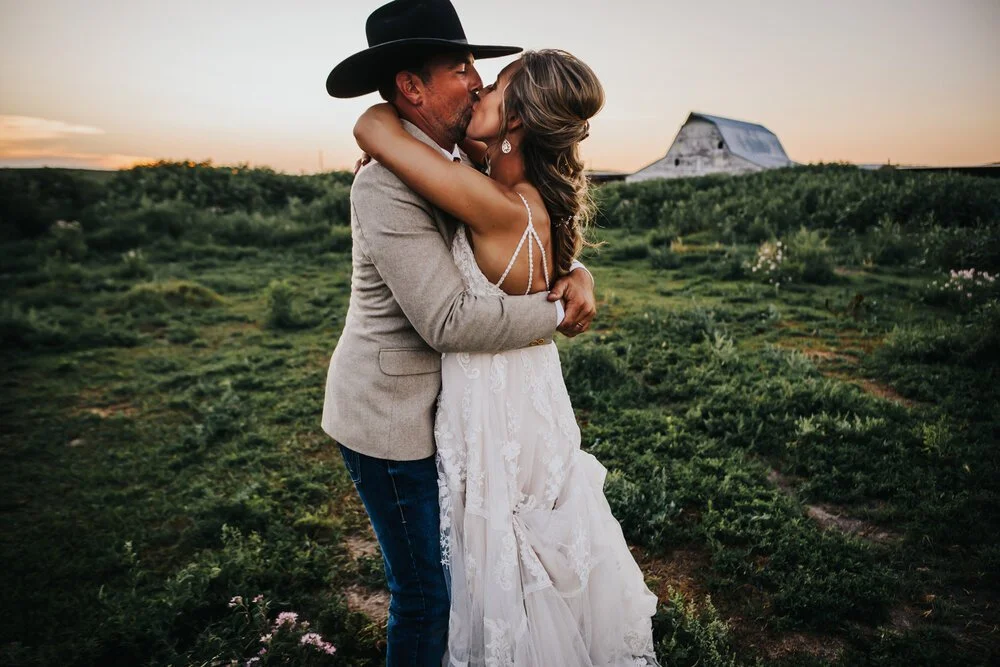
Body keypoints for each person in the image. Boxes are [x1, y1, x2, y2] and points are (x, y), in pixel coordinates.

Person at [352, 39, 660, 667]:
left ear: (516, 121)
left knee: (496, 557)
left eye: (490, 84)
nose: (477, 86)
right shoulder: (482, 184)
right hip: (476, 396)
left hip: (494, 399)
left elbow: (372, 125)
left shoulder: (488, 195)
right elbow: (475, 286)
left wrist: (566, 289)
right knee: (504, 555)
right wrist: (569, 287)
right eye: (465, 72)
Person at [322, 1, 599, 665]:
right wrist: (556, 312)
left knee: (475, 575)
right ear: (412, 88)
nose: (478, 79)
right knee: (424, 594)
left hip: (460, 413)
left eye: (480, 68)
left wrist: (577, 271)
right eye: (461, 67)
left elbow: (514, 235)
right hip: (390, 421)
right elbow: (449, 319)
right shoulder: (385, 186)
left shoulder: (462, 168)